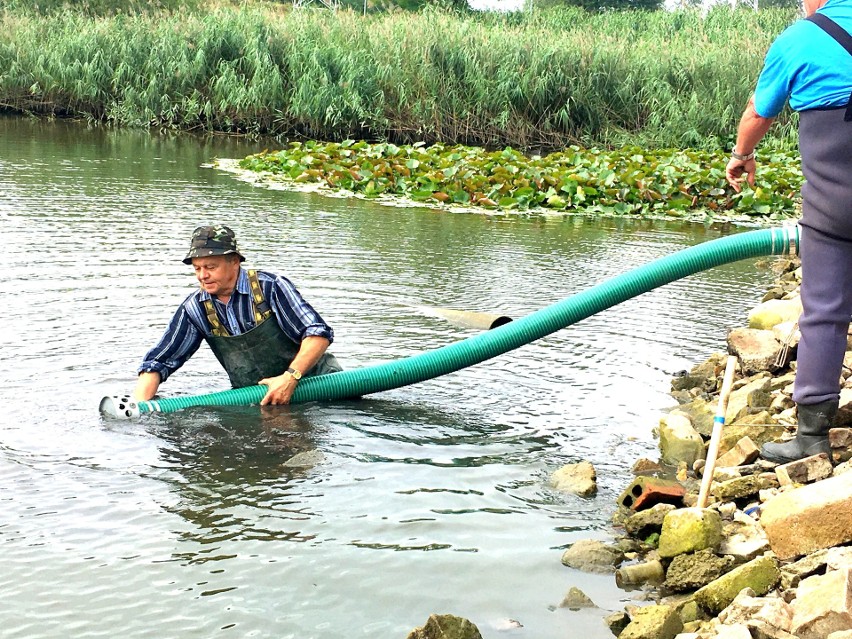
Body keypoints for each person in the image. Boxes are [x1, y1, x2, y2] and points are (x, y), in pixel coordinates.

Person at [726, 0, 852, 463]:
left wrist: (741, 155)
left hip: (836, 203)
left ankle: (812, 436)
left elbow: (758, 114)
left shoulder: (798, 40)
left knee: (824, 311)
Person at [134, 225, 341, 406]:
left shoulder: (270, 287)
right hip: (264, 398)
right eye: (197, 268)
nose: (202, 276)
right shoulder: (195, 308)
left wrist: (290, 378)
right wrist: (137, 407)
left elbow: (317, 335)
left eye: (210, 267)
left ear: (234, 262)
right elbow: (159, 362)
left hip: (322, 387)